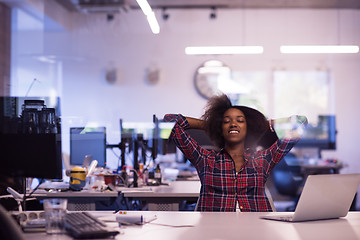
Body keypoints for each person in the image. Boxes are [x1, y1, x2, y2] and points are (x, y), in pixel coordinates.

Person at [163, 94, 307, 212]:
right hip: (214, 231)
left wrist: (267, 123)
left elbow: (301, 121)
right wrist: (212, 124)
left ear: (247, 128)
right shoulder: (205, 159)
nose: (233, 124)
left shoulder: (263, 159)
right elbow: (170, 121)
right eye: (227, 121)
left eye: (240, 121)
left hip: (258, 230)